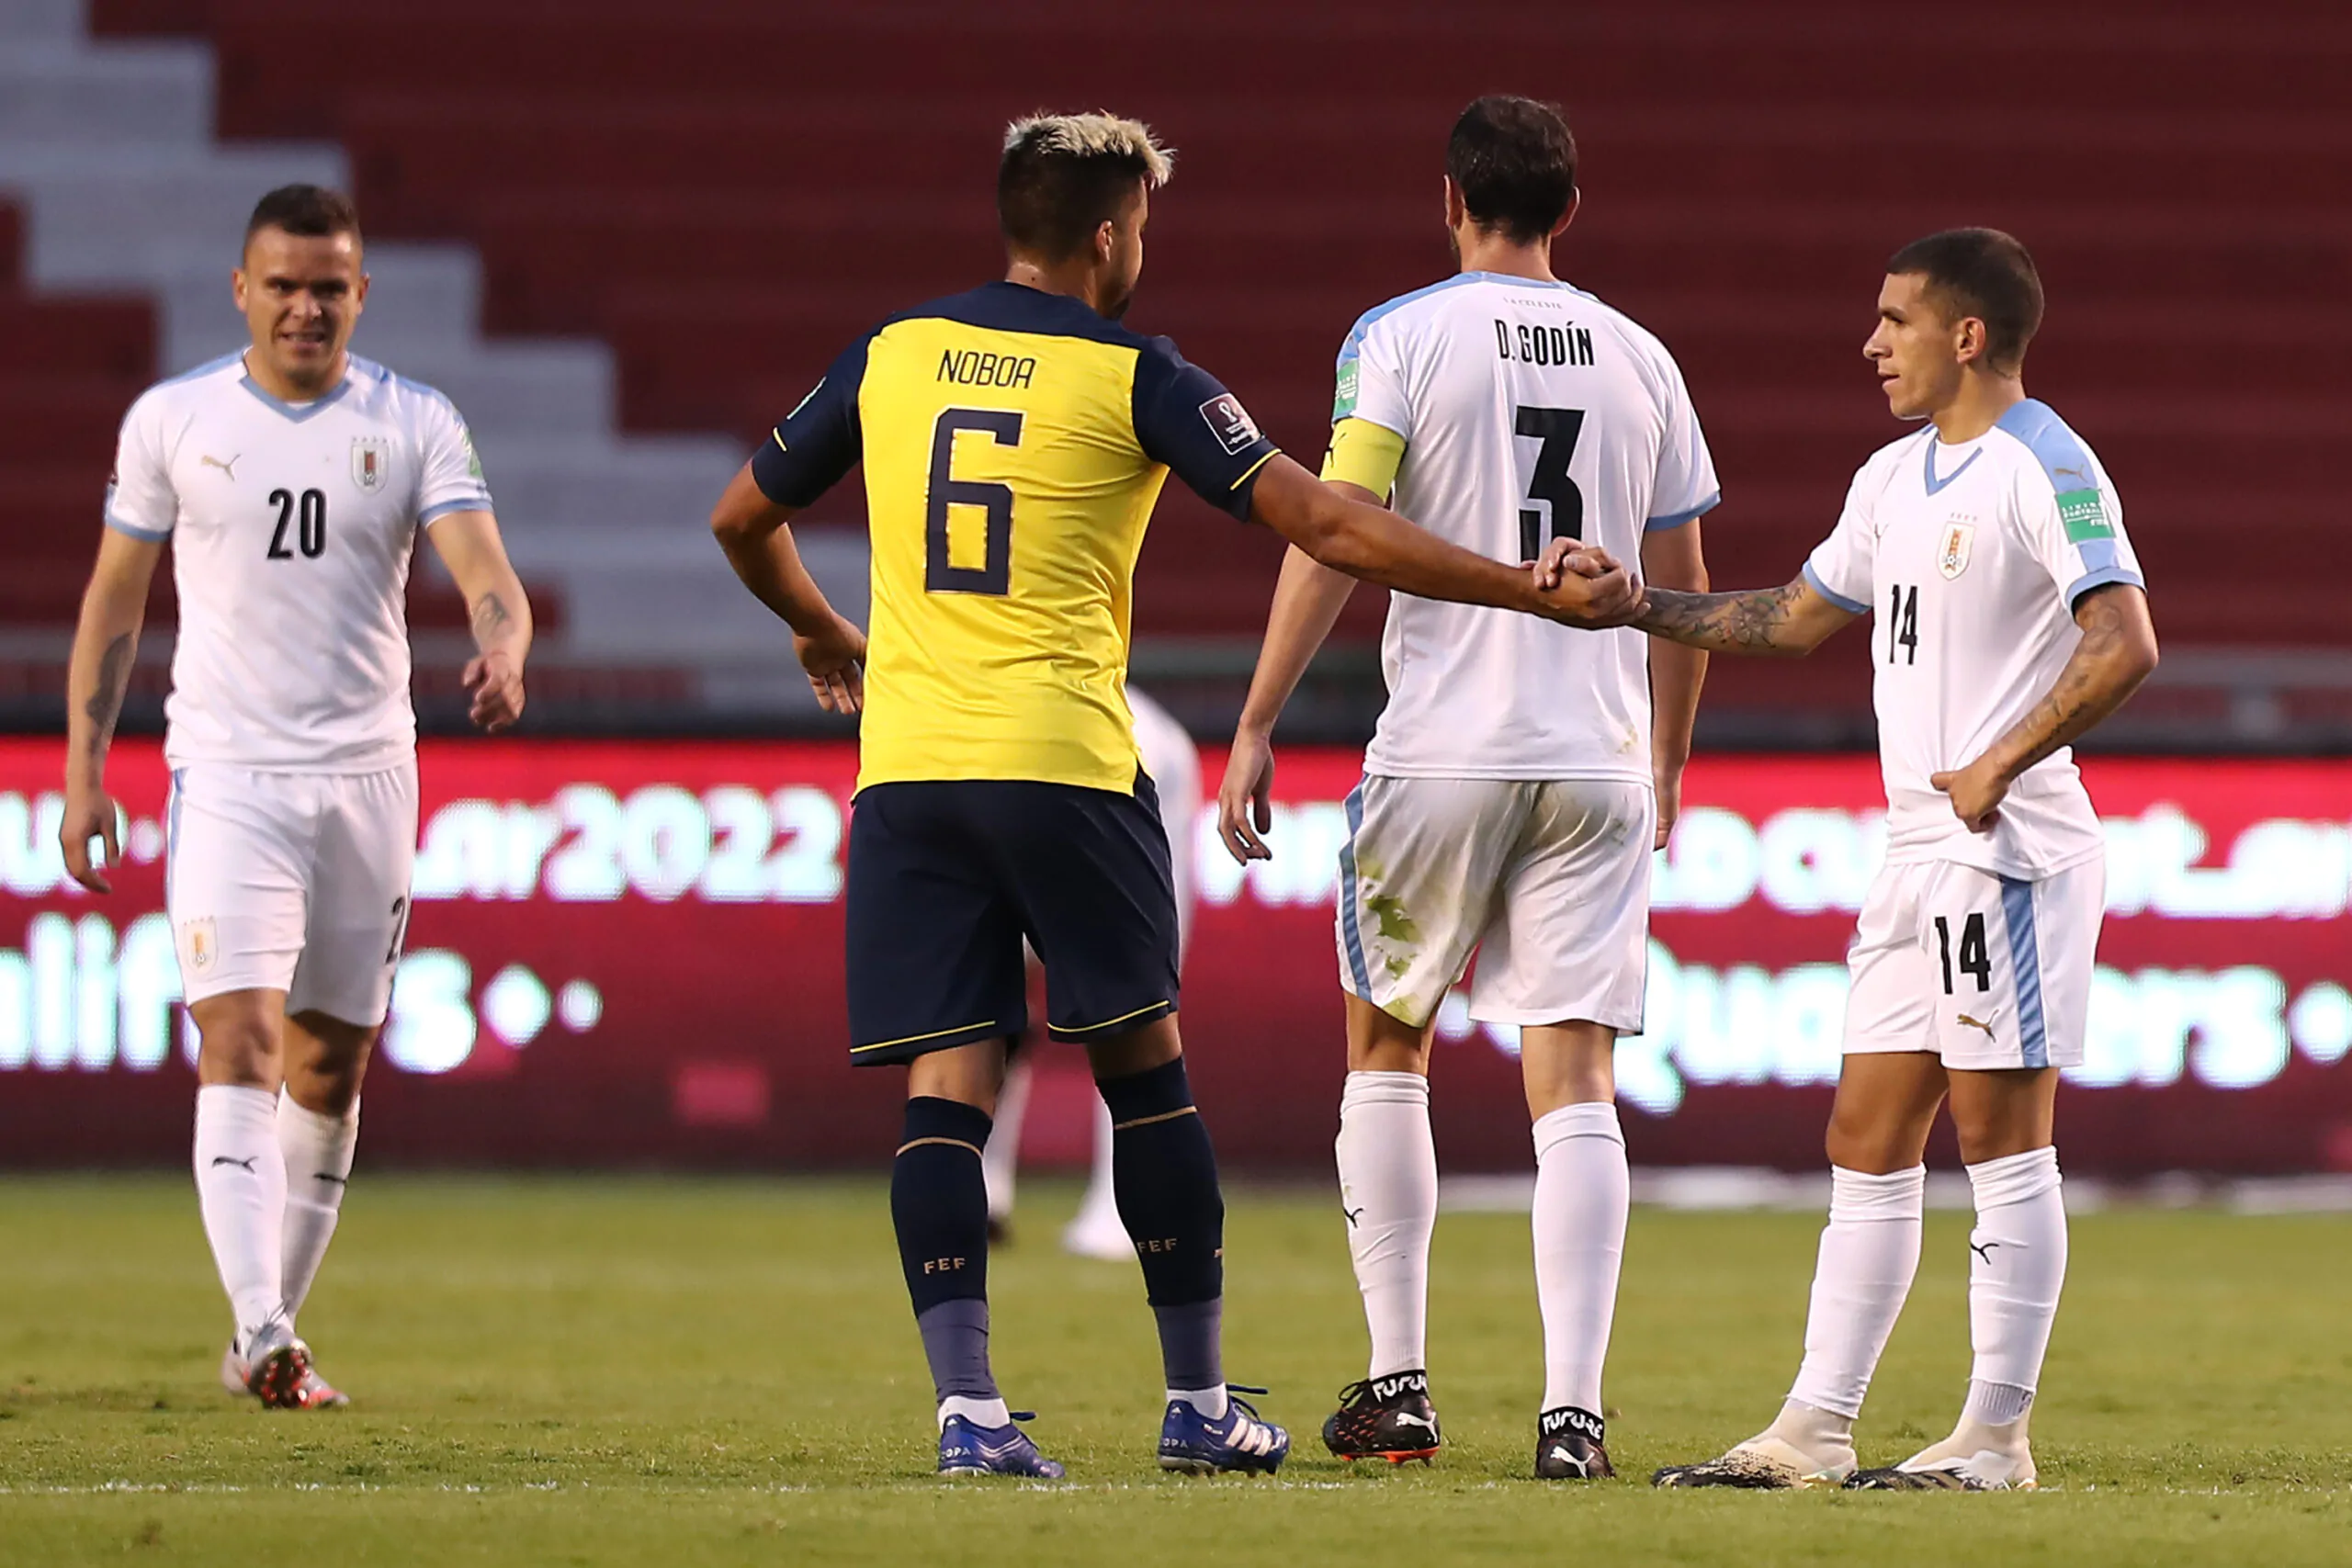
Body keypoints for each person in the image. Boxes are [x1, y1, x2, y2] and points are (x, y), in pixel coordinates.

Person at [708, 111, 1639, 1480]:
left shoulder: (891, 353)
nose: (1146, 244)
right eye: (1141, 223)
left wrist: (821, 630)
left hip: (909, 771)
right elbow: (1322, 519)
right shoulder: (1138, 373)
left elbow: (742, 515)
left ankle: (970, 1414)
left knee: (946, 1089)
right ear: (1105, 232)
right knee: (1142, 1075)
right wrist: (1518, 585)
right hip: (1068, 766)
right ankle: (1197, 1400)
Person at [1215, 95, 1715, 1483]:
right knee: (1578, 1085)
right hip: (1597, 753)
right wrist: (1665, 754)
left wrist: (1258, 717)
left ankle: (1400, 1386)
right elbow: (1675, 585)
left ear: (1449, 198)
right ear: (1572, 205)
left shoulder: (1401, 336)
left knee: (1389, 1048)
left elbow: (1333, 530)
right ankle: (1573, 1414)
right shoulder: (1642, 357)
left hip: (1441, 743)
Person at [1634, 229, 2158, 1490]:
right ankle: (1813, 1424)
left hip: (2007, 851)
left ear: (1966, 335)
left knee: (2001, 1139)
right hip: (1914, 852)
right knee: (1864, 1131)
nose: (1873, 343)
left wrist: (2003, 759)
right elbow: (1796, 616)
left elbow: (2127, 637)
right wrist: (1631, 605)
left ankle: (1995, 1434)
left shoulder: (2050, 465)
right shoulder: (1889, 478)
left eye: (1894, 320)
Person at [60, 185, 533, 1409]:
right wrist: (82, 766)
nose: (307, 306)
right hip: (228, 774)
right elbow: (115, 599)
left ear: (360, 292)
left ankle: (263, 1330)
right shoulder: (174, 421)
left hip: (370, 775)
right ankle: (267, 1327)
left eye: (330, 285)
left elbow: (486, 568)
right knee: (241, 1039)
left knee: (330, 1067)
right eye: (284, 284)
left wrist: (506, 643)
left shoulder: (415, 420)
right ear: (242, 290)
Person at [982, 685, 1199, 1263]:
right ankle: (985, 1188)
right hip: (1031, 794)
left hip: (1116, 802)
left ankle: (1120, 1205)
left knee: (1129, 1010)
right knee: (991, 1002)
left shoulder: (1145, 734)